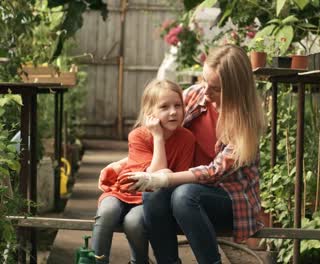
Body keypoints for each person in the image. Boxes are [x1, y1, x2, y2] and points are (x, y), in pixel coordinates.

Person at [126, 44, 266, 264]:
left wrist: (166, 178)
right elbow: (158, 128)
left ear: (235, 89)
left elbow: (214, 172)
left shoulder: (245, 124)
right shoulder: (193, 96)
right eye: (204, 81)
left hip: (228, 199)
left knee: (185, 195)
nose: (206, 92)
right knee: (154, 192)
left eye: (216, 88)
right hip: (186, 190)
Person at [92, 79, 195, 264]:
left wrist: (158, 138)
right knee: (107, 212)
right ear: (150, 113)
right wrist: (156, 135)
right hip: (123, 191)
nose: (173, 112)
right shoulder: (138, 135)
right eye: (164, 107)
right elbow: (152, 176)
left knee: (134, 223)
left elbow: (153, 181)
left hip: (150, 199)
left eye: (177, 105)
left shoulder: (187, 139)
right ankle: (96, 261)